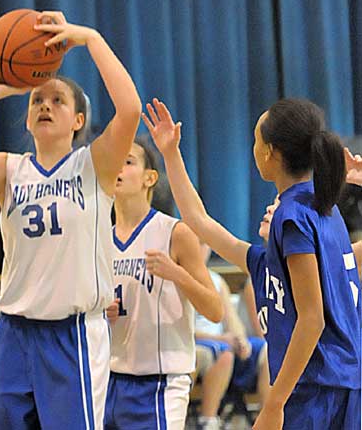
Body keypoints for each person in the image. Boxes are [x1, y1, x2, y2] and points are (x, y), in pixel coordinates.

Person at [0, 11, 142, 430]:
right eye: (37, 101)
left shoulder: (95, 165)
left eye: (57, 100)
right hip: (13, 331)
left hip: (72, 334)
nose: (45, 105)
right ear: (27, 119)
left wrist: (91, 37)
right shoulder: (9, 170)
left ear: (78, 120)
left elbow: (131, 108)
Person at [143, 98, 361, 430]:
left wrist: (274, 403)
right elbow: (200, 221)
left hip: (314, 389)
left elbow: (312, 319)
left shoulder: (294, 216)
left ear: (269, 152)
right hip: (338, 384)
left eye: (256, 139)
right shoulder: (322, 214)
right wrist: (170, 153)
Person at [103, 139, 222, 430]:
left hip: (160, 382)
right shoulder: (98, 238)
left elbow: (215, 310)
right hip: (108, 378)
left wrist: (176, 274)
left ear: (149, 178)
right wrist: (98, 312)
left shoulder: (175, 232)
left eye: (128, 161)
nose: (118, 166)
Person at [194, 245, 270, 430]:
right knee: (224, 354)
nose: (200, 249)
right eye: (196, 243)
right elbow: (182, 330)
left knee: (268, 351)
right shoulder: (179, 279)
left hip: (222, 340)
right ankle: (208, 420)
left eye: (204, 244)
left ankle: (268, 416)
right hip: (200, 341)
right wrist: (223, 340)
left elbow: (232, 319)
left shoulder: (217, 281)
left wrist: (241, 339)